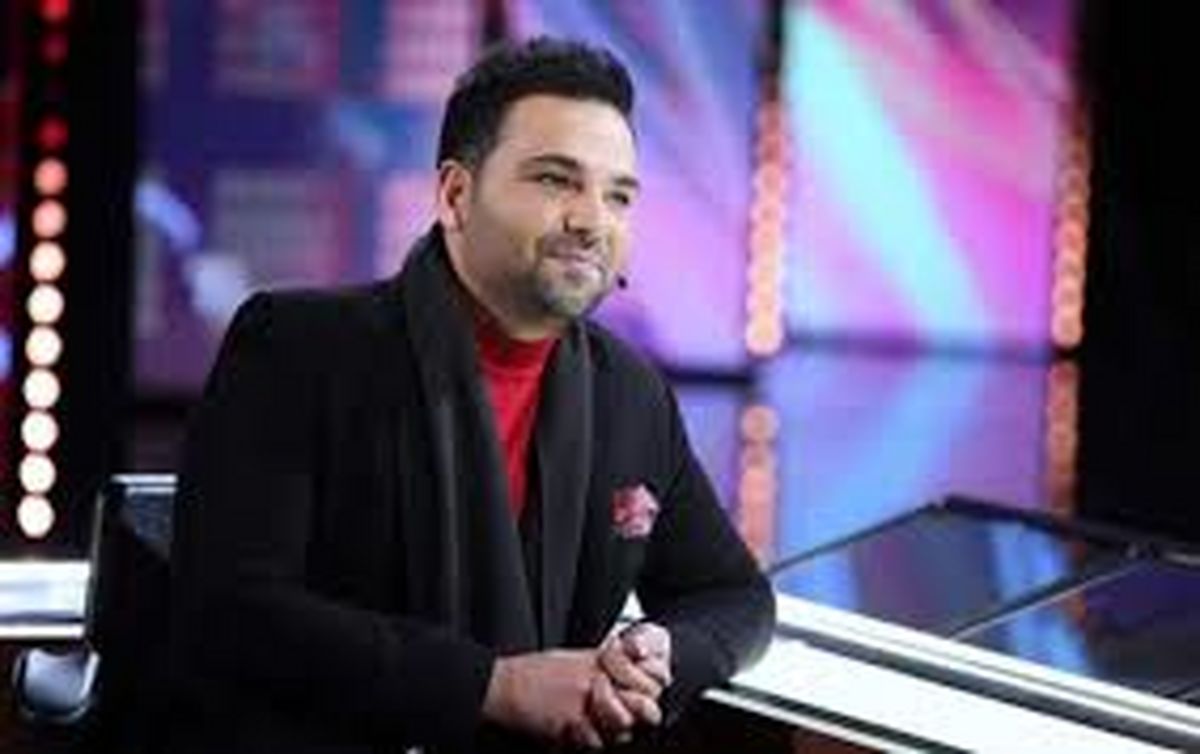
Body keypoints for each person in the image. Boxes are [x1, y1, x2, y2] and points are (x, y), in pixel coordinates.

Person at [170, 36, 774, 754]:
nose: (592, 220)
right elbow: (231, 612)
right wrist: (492, 686)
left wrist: (657, 654)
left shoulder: (631, 393)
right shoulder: (297, 348)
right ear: (455, 195)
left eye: (618, 194)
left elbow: (736, 598)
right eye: (556, 180)